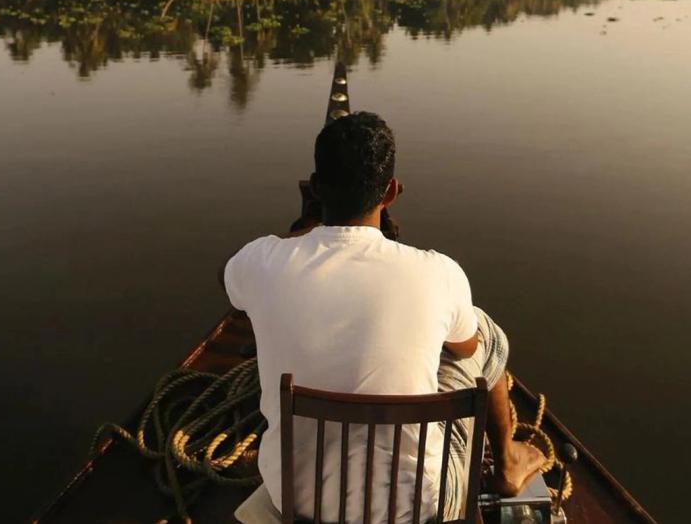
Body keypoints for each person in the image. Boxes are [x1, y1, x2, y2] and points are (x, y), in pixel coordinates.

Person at [223, 111, 545, 524]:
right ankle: (507, 463)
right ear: (391, 191)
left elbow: (226, 279)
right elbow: (466, 348)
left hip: (298, 503)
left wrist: (299, 239)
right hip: (420, 508)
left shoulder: (263, 260)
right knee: (485, 332)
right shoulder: (438, 271)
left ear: (316, 187)